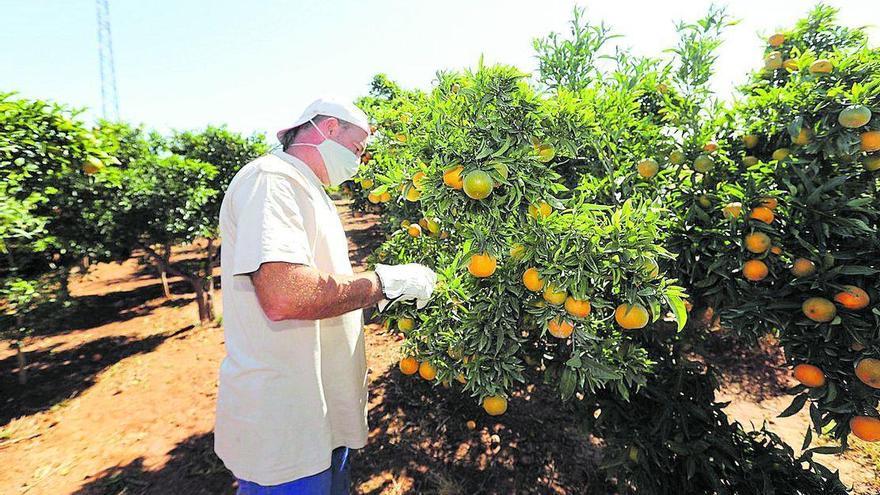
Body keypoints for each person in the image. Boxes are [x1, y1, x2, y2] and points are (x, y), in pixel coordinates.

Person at [214, 98, 437, 494]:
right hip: (287, 424)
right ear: (329, 128)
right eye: (358, 147)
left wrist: (379, 296)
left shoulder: (306, 187)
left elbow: (322, 283)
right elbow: (285, 295)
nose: (360, 158)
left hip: (322, 415)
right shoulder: (271, 179)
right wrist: (382, 284)